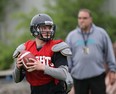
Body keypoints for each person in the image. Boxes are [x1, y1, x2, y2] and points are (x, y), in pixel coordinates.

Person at [12, 13, 72, 94]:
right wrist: (18, 68)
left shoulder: (56, 47)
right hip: (35, 90)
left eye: (49, 27)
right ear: (34, 29)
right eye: (43, 28)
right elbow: (16, 80)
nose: (47, 30)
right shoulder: (25, 49)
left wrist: (43, 67)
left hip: (55, 90)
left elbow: (64, 74)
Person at [65, 9, 116, 94]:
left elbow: (109, 53)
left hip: (97, 76)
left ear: (90, 19)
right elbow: (68, 58)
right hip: (78, 77)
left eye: (85, 18)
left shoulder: (101, 33)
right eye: (79, 18)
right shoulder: (71, 36)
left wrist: (113, 70)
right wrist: (67, 76)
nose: (82, 20)